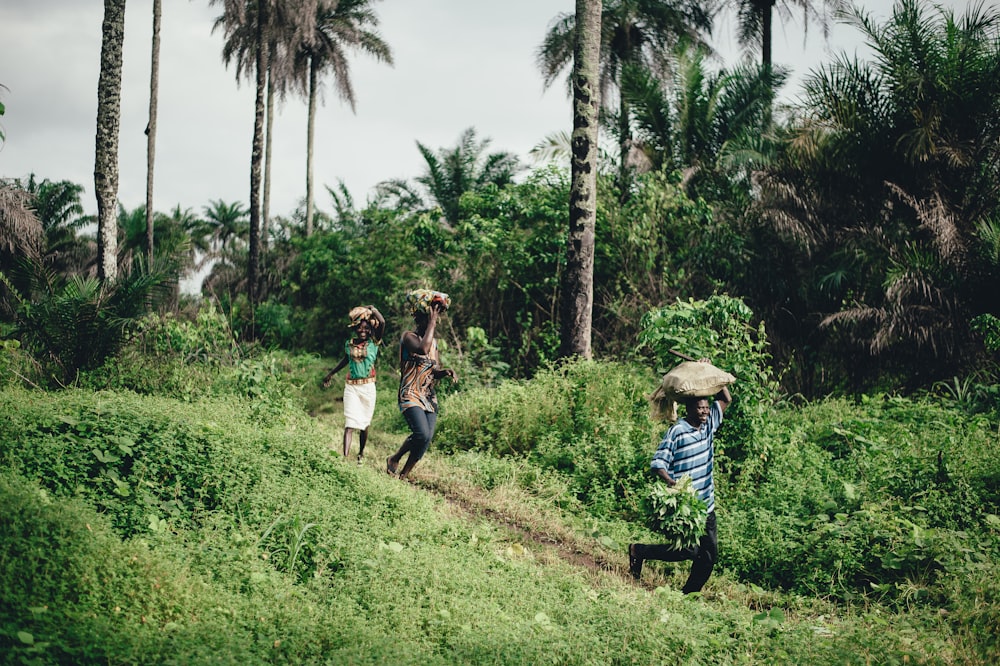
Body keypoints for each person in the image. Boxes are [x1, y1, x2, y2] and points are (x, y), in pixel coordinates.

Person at [628, 361, 732, 593]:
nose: (705, 412)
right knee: (688, 551)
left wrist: (710, 369)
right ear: (689, 409)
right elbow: (658, 464)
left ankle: (688, 595)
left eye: (706, 408)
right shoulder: (677, 431)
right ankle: (638, 551)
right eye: (700, 408)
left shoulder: (708, 426)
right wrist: (673, 484)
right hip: (687, 507)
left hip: (707, 505)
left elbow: (725, 399)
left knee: (709, 555)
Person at [386, 289, 457, 480]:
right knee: (421, 433)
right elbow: (422, 349)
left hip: (428, 396)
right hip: (409, 393)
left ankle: (404, 474)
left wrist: (445, 372)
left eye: (433, 320)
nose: (433, 323)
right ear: (419, 319)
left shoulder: (434, 344)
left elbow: (433, 370)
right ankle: (395, 458)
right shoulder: (408, 337)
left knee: (426, 438)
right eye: (429, 319)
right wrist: (432, 321)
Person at [322, 305, 385, 464]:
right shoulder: (348, 344)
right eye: (359, 327)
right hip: (351, 387)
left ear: (370, 330)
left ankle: (360, 455)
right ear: (355, 328)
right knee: (350, 423)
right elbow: (346, 360)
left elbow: (382, 322)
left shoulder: (374, 343)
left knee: (364, 424)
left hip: (368, 387)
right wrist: (331, 373)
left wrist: (373, 309)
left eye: (366, 328)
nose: (363, 330)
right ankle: (344, 458)